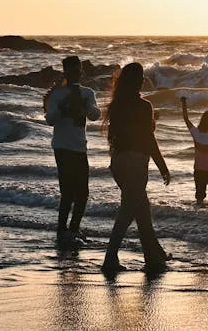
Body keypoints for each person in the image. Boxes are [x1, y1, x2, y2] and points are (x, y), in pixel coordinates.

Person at [101, 62, 171, 273]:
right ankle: (110, 257)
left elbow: (115, 137)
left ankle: (153, 253)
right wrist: (162, 166)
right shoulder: (143, 106)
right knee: (129, 210)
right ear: (138, 80)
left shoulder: (116, 105)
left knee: (141, 208)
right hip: (135, 162)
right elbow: (148, 139)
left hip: (119, 161)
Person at [44, 56, 101, 244]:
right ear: (65, 72)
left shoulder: (88, 93)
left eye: (79, 71)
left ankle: (74, 229)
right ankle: (62, 230)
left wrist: (85, 105)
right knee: (67, 193)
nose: (76, 74)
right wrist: (63, 105)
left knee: (83, 194)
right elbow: (50, 119)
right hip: (61, 146)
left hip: (79, 147)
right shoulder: (57, 94)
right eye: (72, 71)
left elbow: (95, 115)